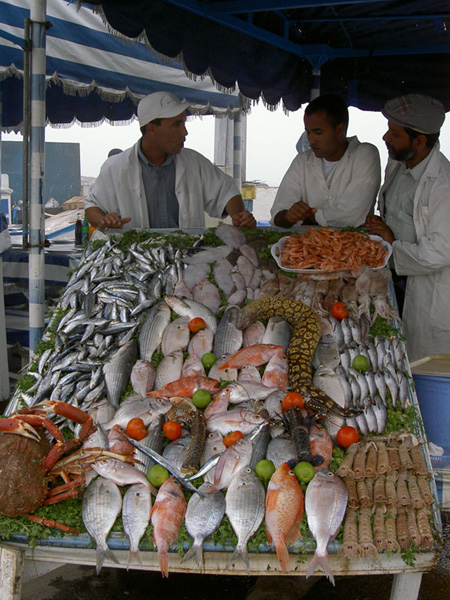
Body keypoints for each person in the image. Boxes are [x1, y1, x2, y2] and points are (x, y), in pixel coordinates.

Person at [84, 92, 256, 230]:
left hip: (186, 259)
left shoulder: (194, 162)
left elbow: (226, 192)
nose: (184, 132)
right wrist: (103, 220)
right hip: (139, 262)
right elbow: (92, 206)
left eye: (184, 123)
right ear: (151, 129)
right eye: (176, 125)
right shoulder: (115, 167)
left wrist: (238, 215)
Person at [365, 93, 450, 362]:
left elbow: (439, 252)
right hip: (393, 277)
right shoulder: (398, 164)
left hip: (424, 288)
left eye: (395, 134)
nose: (385, 138)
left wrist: (391, 243)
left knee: (418, 367)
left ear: (420, 140)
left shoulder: (443, 185)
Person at [270, 94, 381, 229]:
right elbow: (278, 212)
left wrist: (309, 216)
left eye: (318, 133)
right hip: (307, 247)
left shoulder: (365, 154)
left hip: (353, 247)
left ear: (339, 130)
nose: (311, 140)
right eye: (308, 132)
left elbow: (353, 216)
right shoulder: (302, 161)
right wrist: (288, 216)